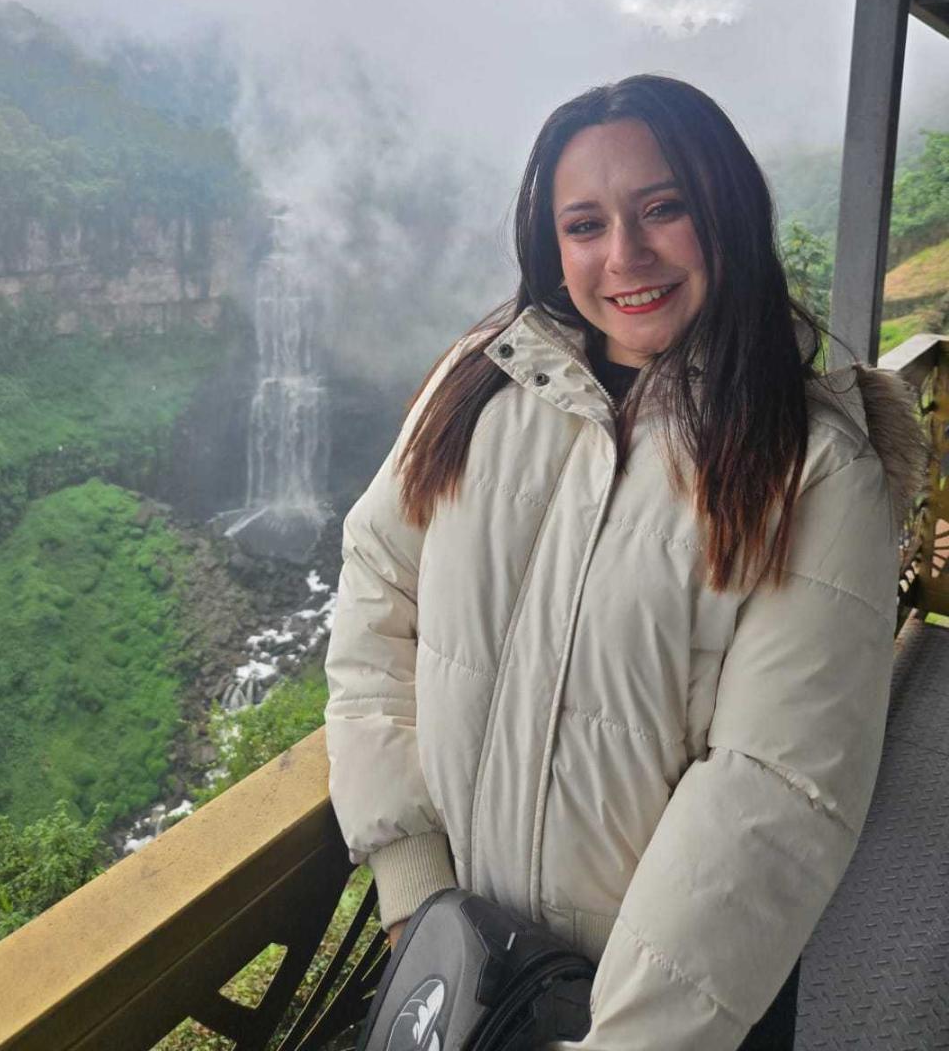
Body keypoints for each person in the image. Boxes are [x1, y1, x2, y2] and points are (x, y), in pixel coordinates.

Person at [323, 75, 926, 1051]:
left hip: (678, 1015)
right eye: (585, 224)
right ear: (550, 243)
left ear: (727, 211)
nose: (625, 255)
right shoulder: (481, 386)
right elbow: (377, 587)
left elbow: (773, 794)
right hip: (460, 968)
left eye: (663, 208)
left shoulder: (814, 466)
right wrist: (413, 887)